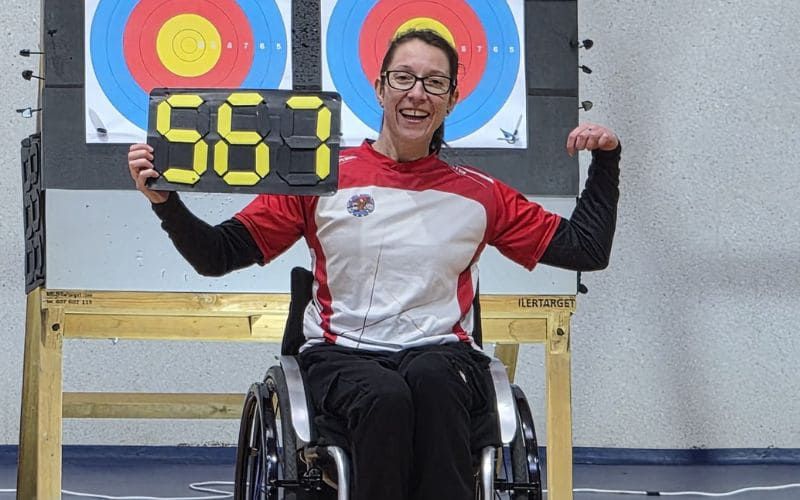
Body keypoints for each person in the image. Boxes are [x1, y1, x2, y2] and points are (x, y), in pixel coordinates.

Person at [128, 29, 621, 500]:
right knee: (384, 396)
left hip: (442, 355)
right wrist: (166, 202)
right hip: (341, 357)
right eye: (403, 78)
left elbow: (584, 250)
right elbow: (218, 255)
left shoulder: (480, 194)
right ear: (380, 87)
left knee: (432, 382)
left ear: (452, 99)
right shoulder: (323, 178)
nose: (417, 93)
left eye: (434, 82)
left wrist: (606, 160)